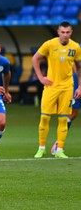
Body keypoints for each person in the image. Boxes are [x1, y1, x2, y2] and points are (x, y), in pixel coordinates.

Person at [33, 21, 81, 159]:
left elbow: (79, 66)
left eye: (68, 32)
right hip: (51, 85)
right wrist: (41, 77)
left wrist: (80, 86)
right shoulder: (50, 44)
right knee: (45, 117)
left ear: (71, 33)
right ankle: (41, 148)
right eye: (62, 32)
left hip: (67, 87)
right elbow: (35, 58)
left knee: (63, 119)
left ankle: (59, 149)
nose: (65, 35)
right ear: (58, 32)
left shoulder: (76, 47)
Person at [50, 71, 80, 155]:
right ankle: (58, 143)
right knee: (73, 113)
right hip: (76, 80)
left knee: (73, 114)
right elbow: (76, 65)